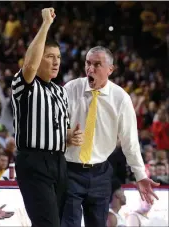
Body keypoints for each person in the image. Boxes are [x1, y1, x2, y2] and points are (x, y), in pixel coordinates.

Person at [61, 46, 159, 227]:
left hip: (100, 173)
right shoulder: (70, 89)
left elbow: (130, 142)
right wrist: (64, 136)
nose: (90, 69)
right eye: (88, 63)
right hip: (69, 170)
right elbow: (53, 126)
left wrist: (140, 175)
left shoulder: (121, 98)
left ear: (110, 70)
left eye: (97, 64)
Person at [11, 8, 84, 227]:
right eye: (50, 56)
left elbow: (56, 127)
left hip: (59, 163)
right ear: (38, 57)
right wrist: (45, 24)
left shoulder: (60, 91)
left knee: (57, 222)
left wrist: (68, 135)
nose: (56, 62)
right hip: (34, 161)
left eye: (59, 57)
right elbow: (30, 65)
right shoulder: (24, 83)